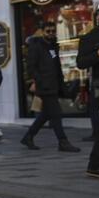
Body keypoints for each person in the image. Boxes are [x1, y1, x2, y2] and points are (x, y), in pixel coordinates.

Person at [20, 22, 80, 152]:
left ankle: (28, 137)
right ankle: (63, 142)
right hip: (45, 86)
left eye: (53, 31)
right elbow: (31, 67)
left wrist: (62, 84)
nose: (51, 33)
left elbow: (56, 67)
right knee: (56, 113)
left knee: (46, 114)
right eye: (48, 31)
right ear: (42, 31)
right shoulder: (36, 46)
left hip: (54, 84)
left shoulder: (53, 46)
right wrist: (39, 81)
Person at [76, 3, 99, 178]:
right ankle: (94, 165)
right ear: (97, 16)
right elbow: (80, 63)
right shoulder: (89, 37)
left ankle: (95, 165)